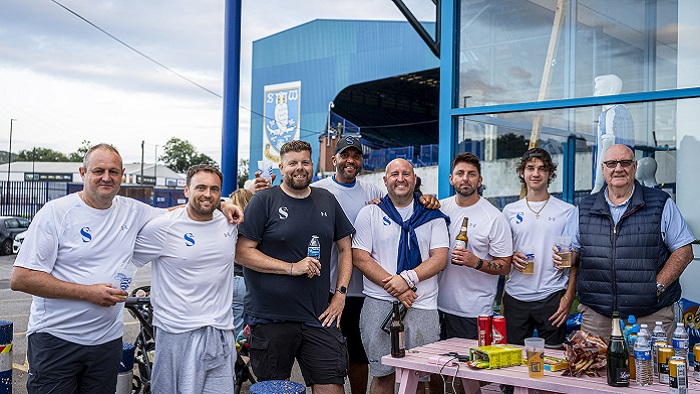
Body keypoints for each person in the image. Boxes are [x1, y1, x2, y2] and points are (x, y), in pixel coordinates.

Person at [9, 143, 243, 394]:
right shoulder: (56, 212)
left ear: (122, 175)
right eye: (99, 170)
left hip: (106, 342)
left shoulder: (133, 211)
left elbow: (183, 211)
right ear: (83, 173)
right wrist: (88, 292)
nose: (106, 177)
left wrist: (223, 204)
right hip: (56, 339)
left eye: (113, 171)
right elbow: (22, 278)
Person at [236, 140, 355, 393]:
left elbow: (346, 249)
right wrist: (292, 267)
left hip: (319, 316)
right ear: (281, 167)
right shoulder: (264, 201)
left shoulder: (327, 200)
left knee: (333, 387)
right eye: (292, 163)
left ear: (312, 165)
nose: (299, 168)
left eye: (305, 162)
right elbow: (242, 253)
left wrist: (341, 295)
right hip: (271, 319)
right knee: (275, 389)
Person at [560, 144, 695, 339]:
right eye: (612, 163)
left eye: (625, 163)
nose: (618, 168)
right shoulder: (584, 208)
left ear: (634, 167)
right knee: (595, 368)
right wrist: (564, 258)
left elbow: (684, 251)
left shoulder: (660, 203)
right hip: (597, 317)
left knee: (652, 369)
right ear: (603, 169)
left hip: (651, 316)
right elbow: (574, 253)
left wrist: (656, 287)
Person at [131, 164, 238, 393]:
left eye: (214, 189)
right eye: (200, 187)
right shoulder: (163, 226)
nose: (207, 194)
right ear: (186, 190)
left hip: (220, 332)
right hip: (176, 334)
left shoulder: (230, 223)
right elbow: (125, 259)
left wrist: (225, 205)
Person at [352, 158, 449, 394]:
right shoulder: (370, 213)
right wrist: (397, 287)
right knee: (384, 374)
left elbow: (439, 258)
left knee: (423, 377)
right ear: (385, 180)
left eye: (406, 173)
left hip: (422, 305)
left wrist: (407, 279)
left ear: (415, 180)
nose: (401, 178)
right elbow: (360, 257)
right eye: (394, 174)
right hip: (379, 303)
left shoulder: (432, 215)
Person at [501, 148, 575, 347]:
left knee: (553, 359)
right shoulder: (509, 211)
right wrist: (510, 256)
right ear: (522, 173)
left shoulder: (567, 211)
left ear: (550, 174)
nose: (535, 173)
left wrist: (568, 297)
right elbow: (499, 254)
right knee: (513, 360)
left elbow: (576, 261)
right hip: (516, 296)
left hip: (551, 296)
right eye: (530, 168)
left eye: (542, 169)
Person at [437, 152, 512, 341]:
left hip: (473, 311)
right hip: (435, 306)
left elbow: (505, 266)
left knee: (467, 367)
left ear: (479, 181)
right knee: (435, 365)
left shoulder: (494, 217)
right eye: (460, 173)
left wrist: (476, 262)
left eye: (471, 174)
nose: (465, 178)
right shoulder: (439, 209)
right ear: (451, 179)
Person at [592, 74, 635, 193]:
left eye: (598, 89)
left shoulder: (610, 114)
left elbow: (606, 147)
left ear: (610, 89)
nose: (595, 94)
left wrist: (598, 185)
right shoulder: (625, 112)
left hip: (611, 178)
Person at [229, 188, 253, 337]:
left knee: (234, 335)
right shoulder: (256, 225)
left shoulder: (230, 226)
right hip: (250, 282)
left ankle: (234, 360)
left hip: (233, 280)